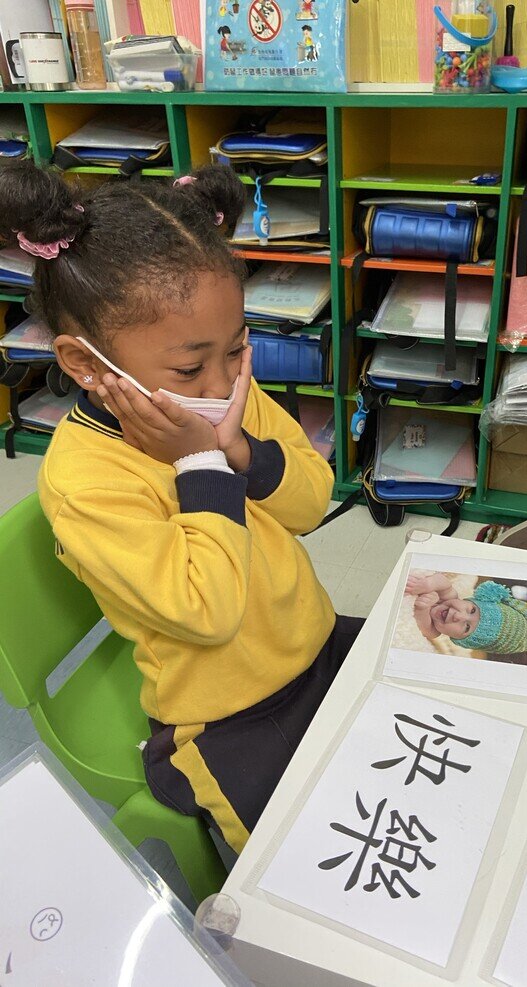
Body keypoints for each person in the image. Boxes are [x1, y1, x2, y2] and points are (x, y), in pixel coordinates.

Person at [0, 161, 364, 854]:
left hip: (312, 641)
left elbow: (312, 503)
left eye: (237, 349)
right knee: (313, 863)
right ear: (84, 363)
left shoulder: (227, 397)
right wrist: (202, 464)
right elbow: (208, 611)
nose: (223, 384)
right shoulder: (84, 480)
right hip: (226, 715)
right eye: (191, 368)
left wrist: (244, 453)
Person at [404, 572, 527, 656]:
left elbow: (422, 626)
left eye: (467, 627)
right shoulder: (450, 596)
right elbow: (442, 581)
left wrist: (423, 609)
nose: (458, 616)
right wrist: (427, 584)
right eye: (472, 610)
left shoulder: (434, 631)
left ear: (460, 640)